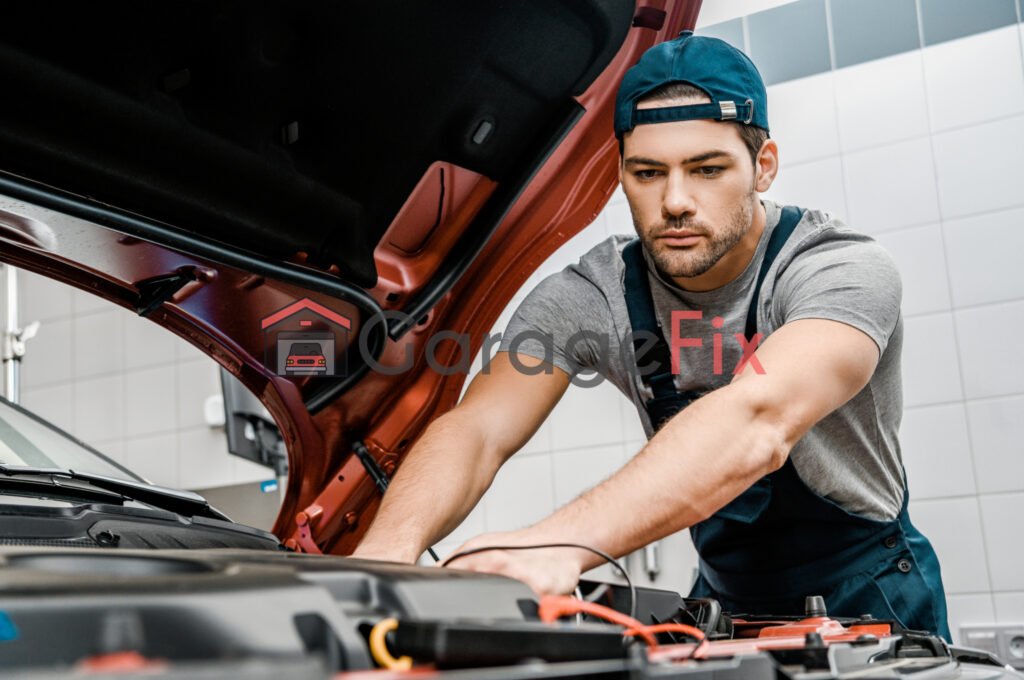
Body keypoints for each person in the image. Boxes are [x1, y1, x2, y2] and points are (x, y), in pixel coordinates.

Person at [353, 31, 950, 639]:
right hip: (722, 599)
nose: (675, 201)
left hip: (873, 593)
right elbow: (477, 431)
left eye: (707, 169)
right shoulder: (592, 297)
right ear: (619, 175)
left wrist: (556, 546)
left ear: (762, 166)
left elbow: (758, 418)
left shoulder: (837, 270)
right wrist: (381, 562)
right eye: (647, 172)